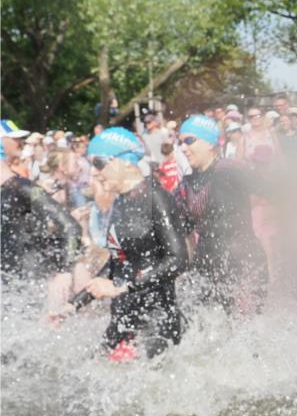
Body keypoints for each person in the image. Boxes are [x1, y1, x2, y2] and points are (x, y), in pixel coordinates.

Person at [84, 127, 188, 360]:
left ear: (125, 162)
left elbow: (178, 260)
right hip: (124, 317)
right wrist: (74, 304)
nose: (94, 173)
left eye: (99, 163)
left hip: (155, 321)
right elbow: (117, 261)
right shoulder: (121, 202)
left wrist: (123, 288)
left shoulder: (157, 198)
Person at [175, 114, 269, 316]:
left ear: (210, 142)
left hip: (244, 262)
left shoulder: (229, 168)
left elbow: (273, 190)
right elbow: (185, 232)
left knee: (244, 332)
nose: (183, 148)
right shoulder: (186, 185)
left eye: (189, 141)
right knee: (201, 327)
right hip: (206, 266)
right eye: (180, 142)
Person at [1, 119, 82, 282]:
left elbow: (70, 226)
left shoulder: (23, 188)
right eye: (15, 138)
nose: (22, 143)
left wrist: (65, 271)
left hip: (25, 287)